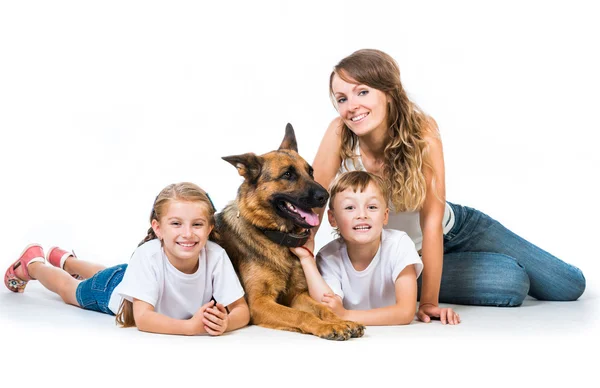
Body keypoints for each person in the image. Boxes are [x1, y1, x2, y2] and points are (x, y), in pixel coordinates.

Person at [308, 48, 586, 324]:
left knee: (569, 284)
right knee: (512, 282)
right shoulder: (339, 133)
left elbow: (431, 222)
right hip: (402, 257)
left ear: (389, 92)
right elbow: (313, 206)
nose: (351, 106)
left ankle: (475, 259)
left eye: (362, 92)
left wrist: (428, 302)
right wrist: (304, 260)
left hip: (454, 229)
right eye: (342, 98)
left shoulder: (422, 131)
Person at [4, 182, 250, 336]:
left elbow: (241, 309)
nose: (187, 233)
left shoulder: (215, 255)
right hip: (111, 291)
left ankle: (67, 261)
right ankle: (33, 264)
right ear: (158, 228)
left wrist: (225, 323)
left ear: (209, 228)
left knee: (113, 272)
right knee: (70, 290)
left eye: (197, 224)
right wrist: (189, 328)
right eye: (176, 224)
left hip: (129, 276)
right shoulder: (148, 255)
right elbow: (143, 319)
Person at [292, 171, 439, 325]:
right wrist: (306, 258)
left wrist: (345, 315)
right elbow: (328, 306)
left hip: (395, 338)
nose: (362, 215)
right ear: (332, 218)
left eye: (372, 207)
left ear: (385, 216)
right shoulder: (329, 256)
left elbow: (405, 312)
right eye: (350, 207)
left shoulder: (399, 244)